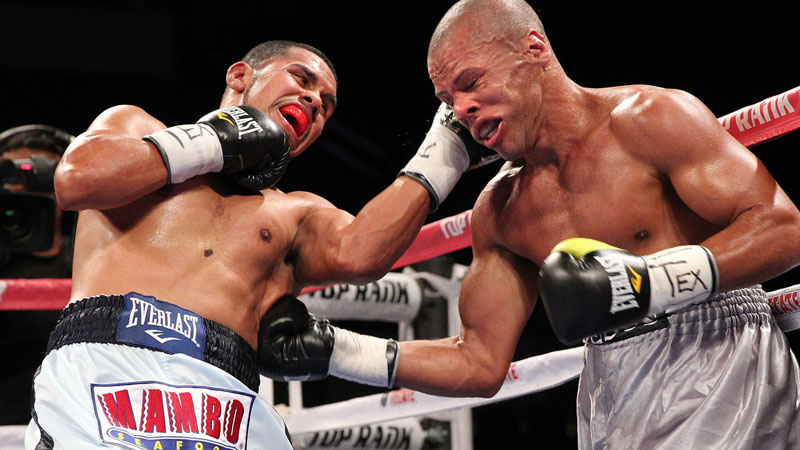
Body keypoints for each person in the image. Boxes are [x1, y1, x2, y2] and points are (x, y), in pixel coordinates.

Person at [259, 2, 800, 448]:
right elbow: (478, 361)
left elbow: (783, 227)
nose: (465, 110)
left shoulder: (649, 120)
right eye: (449, 103)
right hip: (609, 382)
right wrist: (338, 350)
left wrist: (647, 282)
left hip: (717, 355)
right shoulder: (502, 209)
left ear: (533, 48)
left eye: (472, 83)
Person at [26, 39, 490, 449]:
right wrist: (214, 140)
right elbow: (77, 180)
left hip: (226, 398)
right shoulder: (135, 126)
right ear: (240, 75)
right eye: (301, 78)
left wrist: (446, 148)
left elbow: (362, 253)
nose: (313, 99)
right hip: (108, 366)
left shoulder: (295, 213)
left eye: (326, 105)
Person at [0, 124, 75, 426]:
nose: (27, 197)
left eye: (41, 185)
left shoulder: (94, 261)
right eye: (15, 185)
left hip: (72, 433)